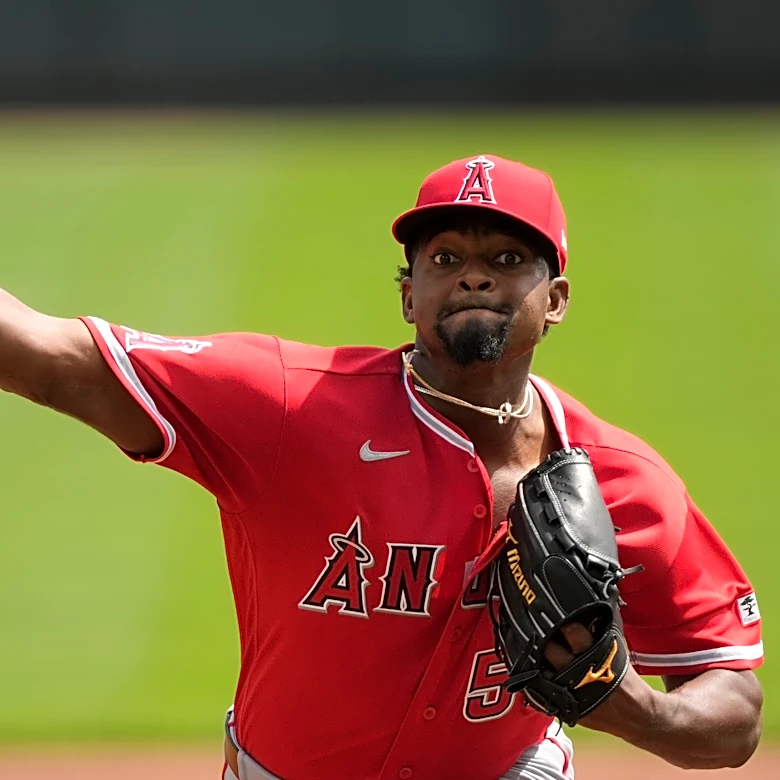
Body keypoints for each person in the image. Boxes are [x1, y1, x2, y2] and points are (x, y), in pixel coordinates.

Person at [0, 154, 764, 780]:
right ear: (408, 295)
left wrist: (633, 708)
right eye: (445, 258)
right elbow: (45, 358)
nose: (473, 276)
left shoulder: (619, 479)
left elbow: (734, 712)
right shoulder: (293, 408)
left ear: (556, 298)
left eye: (506, 259)